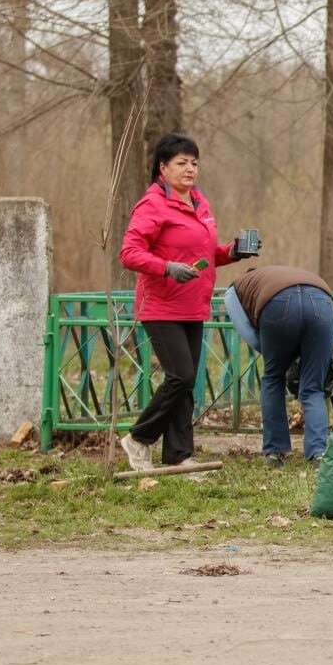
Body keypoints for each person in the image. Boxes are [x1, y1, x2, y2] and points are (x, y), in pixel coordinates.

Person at [118, 134, 258, 471]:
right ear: (163, 168)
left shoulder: (200, 203)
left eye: (194, 162)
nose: (190, 169)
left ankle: (179, 457)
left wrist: (232, 251)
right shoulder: (152, 205)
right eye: (181, 163)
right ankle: (138, 438)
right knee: (179, 376)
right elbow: (129, 253)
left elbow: (204, 255)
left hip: (194, 305)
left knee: (187, 380)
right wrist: (165, 268)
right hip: (161, 305)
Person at [225, 266, 333, 468]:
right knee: (313, 386)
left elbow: (251, 336)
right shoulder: (279, 273)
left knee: (273, 378)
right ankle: (318, 453)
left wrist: (280, 359)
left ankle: (275, 452)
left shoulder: (234, 290)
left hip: (278, 304)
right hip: (324, 303)